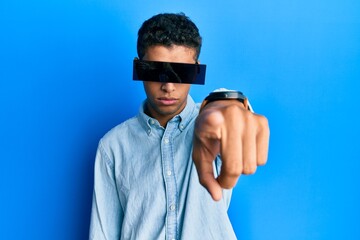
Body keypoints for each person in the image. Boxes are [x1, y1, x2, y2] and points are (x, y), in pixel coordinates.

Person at [89, 13, 269, 240]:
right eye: (155, 70)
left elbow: (227, 115)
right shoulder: (112, 146)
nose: (169, 86)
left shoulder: (211, 131)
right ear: (138, 67)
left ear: (196, 70)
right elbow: (102, 233)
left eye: (181, 72)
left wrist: (229, 105)